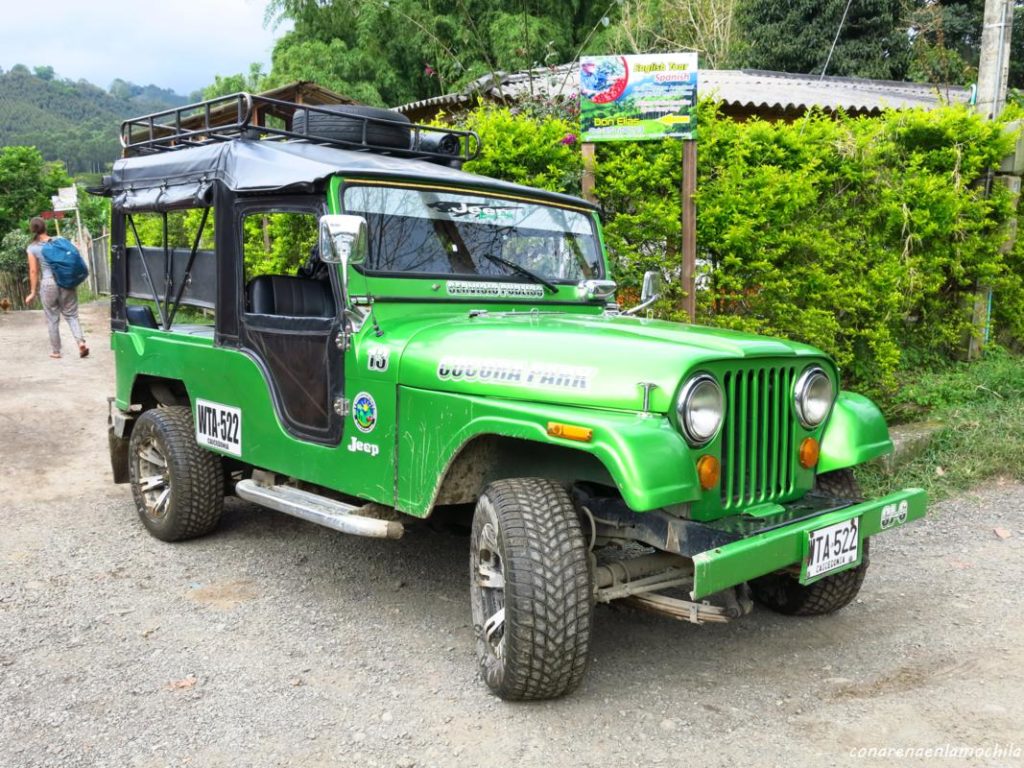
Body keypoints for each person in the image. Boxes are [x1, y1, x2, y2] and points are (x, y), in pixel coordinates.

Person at [25, 216, 89, 359]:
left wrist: (32, 292)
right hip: (66, 281)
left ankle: (56, 351)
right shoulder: (59, 240)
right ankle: (80, 343)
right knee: (71, 315)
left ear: (32, 230)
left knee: (52, 318)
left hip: (48, 284)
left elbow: (34, 271)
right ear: (45, 227)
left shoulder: (33, 248)